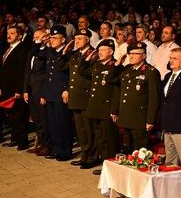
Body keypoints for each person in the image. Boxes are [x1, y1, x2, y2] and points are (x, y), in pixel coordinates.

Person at [113, 42, 161, 152]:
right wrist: (117, 65)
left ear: (144, 56)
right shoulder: (127, 70)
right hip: (126, 116)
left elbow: (154, 99)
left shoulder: (151, 72)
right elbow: (113, 80)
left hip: (140, 118)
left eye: (135, 53)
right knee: (129, 149)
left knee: (141, 150)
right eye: (130, 53)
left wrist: (151, 120)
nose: (131, 56)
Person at [36, 25, 73, 161]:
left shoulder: (68, 53)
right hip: (50, 92)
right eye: (51, 37)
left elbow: (70, 74)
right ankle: (57, 149)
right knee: (53, 123)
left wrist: (67, 89)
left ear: (63, 39)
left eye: (54, 38)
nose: (52, 40)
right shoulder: (50, 52)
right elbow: (47, 74)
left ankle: (65, 151)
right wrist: (44, 94)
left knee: (62, 123)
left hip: (61, 92)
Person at [85, 39, 121, 175]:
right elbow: (83, 71)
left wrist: (114, 110)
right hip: (96, 108)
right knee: (100, 138)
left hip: (107, 109)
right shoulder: (97, 65)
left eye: (103, 50)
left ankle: (112, 167)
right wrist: (89, 57)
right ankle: (105, 165)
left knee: (110, 139)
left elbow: (116, 89)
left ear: (111, 52)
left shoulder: (115, 67)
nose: (99, 53)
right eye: (99, 50)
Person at [0, 25, 30, 150]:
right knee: (12, 116)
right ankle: (14, 139)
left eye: (12, 33)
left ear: (20, 36)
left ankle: (22, 142)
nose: (8, 35)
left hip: (16, 89)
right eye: (8, 33)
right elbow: (3, 69)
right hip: (6, 88)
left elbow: (23, 72)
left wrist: (20, 90)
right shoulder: (8, 48)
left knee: (19, 115)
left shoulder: (22, 49)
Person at [67, 29, 96, 169]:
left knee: (89, 129)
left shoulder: (94, 54)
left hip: (86, 97)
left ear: (88, 40)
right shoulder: (75, 54)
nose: (77, 41)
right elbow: (63, 67)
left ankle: (92, 156)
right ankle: (85, 154)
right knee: (80, 129)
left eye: (80, 38)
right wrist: (65, 50)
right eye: (75, 38)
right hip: (75, 97)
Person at [23, 30, 50, 154]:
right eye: (34, 37)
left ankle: (47, 144)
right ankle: (40, 143)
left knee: (44, 119)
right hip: (31, 89)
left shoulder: (47, 51)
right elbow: (27, 72)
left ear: (45, 37)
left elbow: (46, 74)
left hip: (41, 89)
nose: (35, 39)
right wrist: (25, 90)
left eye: (38, 37)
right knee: (36, 118)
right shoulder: (32, 51)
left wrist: (45, 93)